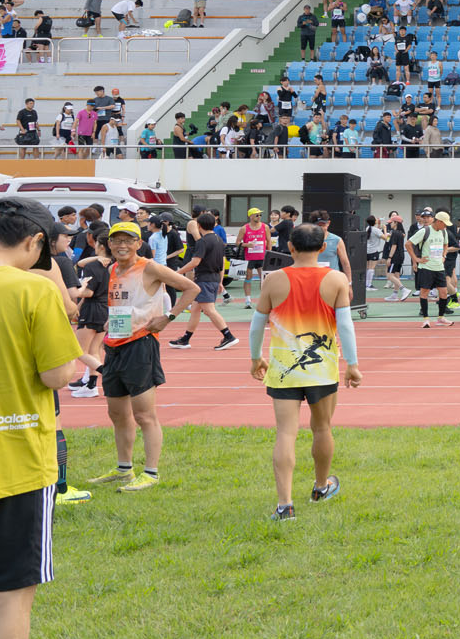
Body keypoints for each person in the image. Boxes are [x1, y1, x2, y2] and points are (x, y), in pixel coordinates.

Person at [0, 198, 86, 639]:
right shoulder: (32, 290)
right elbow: (56, 373)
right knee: (11, 594)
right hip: (15, 457)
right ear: (33, 243)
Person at [247, 223, 361, 521]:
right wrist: (352, 364)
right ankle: (321, 487)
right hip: (322, 369)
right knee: (322, 428)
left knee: (285, 432)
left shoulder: (273, 280)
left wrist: (255, 358)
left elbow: (256, 325)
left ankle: (284, 505)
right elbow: (345, 326)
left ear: (290, 247)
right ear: (323, 247)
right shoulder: (336, 279)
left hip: (284, 368)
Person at [94, 221, 201, 492]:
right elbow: (126, 304)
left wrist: (168, 317)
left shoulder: (150, 267)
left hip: (140, 345)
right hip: (114, 345)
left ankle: (151, 473)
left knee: (144, 415)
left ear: (138, 243)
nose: (122, 245)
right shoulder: (113, 269)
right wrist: (111, 322)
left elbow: (192, 288)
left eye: (128, 240)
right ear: (109, 244)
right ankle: (124, 469)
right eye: (117, 240)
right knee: (117, 413)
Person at [165, 211, 238, 351]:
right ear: (214, 224)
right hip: (213, 278)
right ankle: (185, 339)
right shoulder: (219, 240)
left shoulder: (202, 242)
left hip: (204, 279)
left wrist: (177, 273)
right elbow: (222, 263)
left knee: (209, 310)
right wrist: (220, 281)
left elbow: (195, 262)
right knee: (195, 309)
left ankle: (228, 336)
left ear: (198, 225)